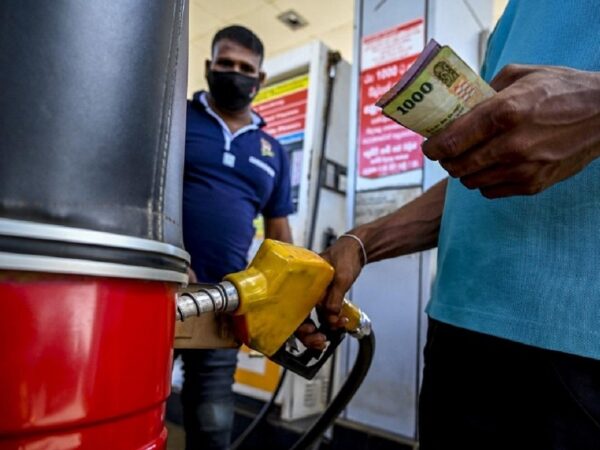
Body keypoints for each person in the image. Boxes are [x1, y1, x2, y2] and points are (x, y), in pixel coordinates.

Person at [298, 1, 600, 448]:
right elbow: (473, 189)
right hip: (456, 324)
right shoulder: (515, 13)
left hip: (578, 345)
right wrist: (362, 241)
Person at [180, 25, 293, 450]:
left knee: (212, 421)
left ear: (260, 79)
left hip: (225, 301)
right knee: (133, 398)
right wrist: (169, 257)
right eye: (225, 63)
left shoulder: (272, 151)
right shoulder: (176, 118)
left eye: (246, 68)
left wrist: (285, 293)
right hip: (161, 288)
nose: (235, 73)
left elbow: (279, 230)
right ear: (209, 67)